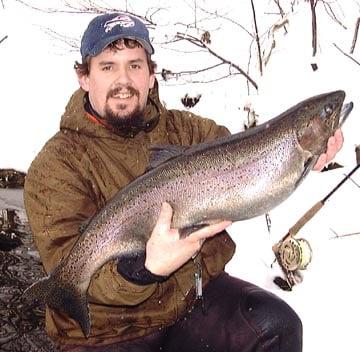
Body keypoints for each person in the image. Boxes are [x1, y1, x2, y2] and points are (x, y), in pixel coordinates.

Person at [24, 12, 343, 352]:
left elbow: (251, 155)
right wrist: (144, 269)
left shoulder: (187, 131)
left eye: (134, 65)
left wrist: (305, 159)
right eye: (107, 66)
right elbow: (64, 261)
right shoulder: (55, 166)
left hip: (188, 302)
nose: (123, 79)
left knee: (276, 327)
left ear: (150, 75)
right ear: (84, 77)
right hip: (107, 331)